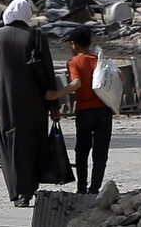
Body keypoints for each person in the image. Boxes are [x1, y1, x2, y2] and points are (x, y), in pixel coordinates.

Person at [0, 0, 57, 207]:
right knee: (32, 143)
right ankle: (30, 188)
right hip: (34, 102)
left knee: (10, 146)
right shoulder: (36, 36)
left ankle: (18, 191)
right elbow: (48, 73)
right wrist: (54, 107)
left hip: (4, 101)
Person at [45, 26, 112, 195]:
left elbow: (76, 84)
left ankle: (82, 188)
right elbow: (120, 78)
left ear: (74, 45)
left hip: (85, 111)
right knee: (100, 152)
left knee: (82, 151)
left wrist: (56, 95)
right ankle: (94, 189)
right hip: (104, 111)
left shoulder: (74, 62)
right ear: (89, 43)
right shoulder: (100, 60)